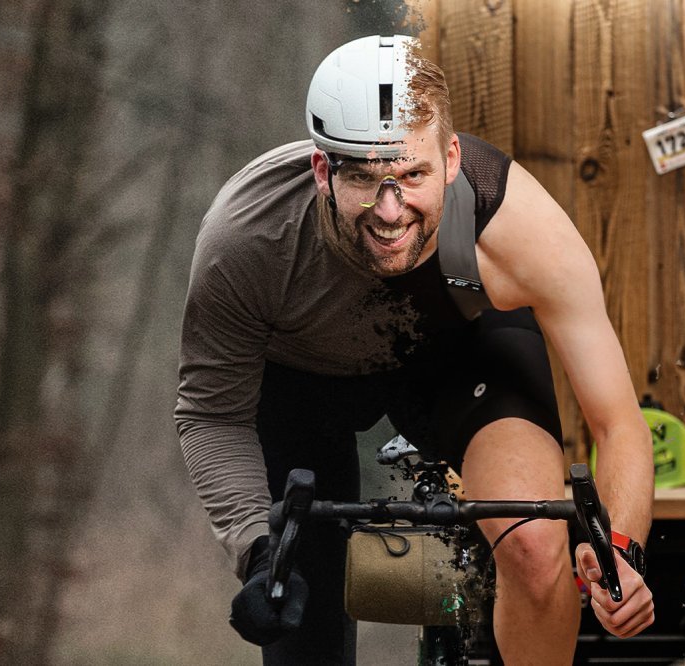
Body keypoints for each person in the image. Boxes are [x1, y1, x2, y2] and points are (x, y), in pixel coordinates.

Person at [174, 34, 656, 664]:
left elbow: (618, 422)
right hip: (303, 374)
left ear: (451, 159)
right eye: (366, 180)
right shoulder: (246, 241)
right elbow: (213, 416)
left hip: (459, 354)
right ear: (322, 170)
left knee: (538, 550)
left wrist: (620, 549)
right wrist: (256, 549)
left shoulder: (517, 228)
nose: (391, 211)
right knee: (296, 595)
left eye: (412, 175)